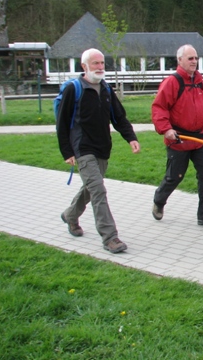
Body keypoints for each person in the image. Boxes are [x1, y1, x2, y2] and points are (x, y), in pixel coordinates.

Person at [57, 48, 141, 254]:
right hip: (82, 148)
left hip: (103, 148)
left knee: (91, 188)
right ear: (84, 66)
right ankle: (110, 237)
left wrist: (131, 138)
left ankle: (70, 215)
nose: (100, 67)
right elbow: (62, 122)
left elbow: (119, 117)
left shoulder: (106, 89)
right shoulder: (73, 90)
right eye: (95, 63)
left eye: (102, 63)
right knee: (98, 190)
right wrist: (67, 151)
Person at [151, 45, 203, 227]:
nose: (194, 61)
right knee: (175, 176)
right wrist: (166, 130)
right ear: (180, 60)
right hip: (179, 140)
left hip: (200, 139)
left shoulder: (200, 83)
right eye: (190, 58)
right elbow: (159, 108)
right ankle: (159, 201)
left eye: (195, 58)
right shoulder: (172, 82)